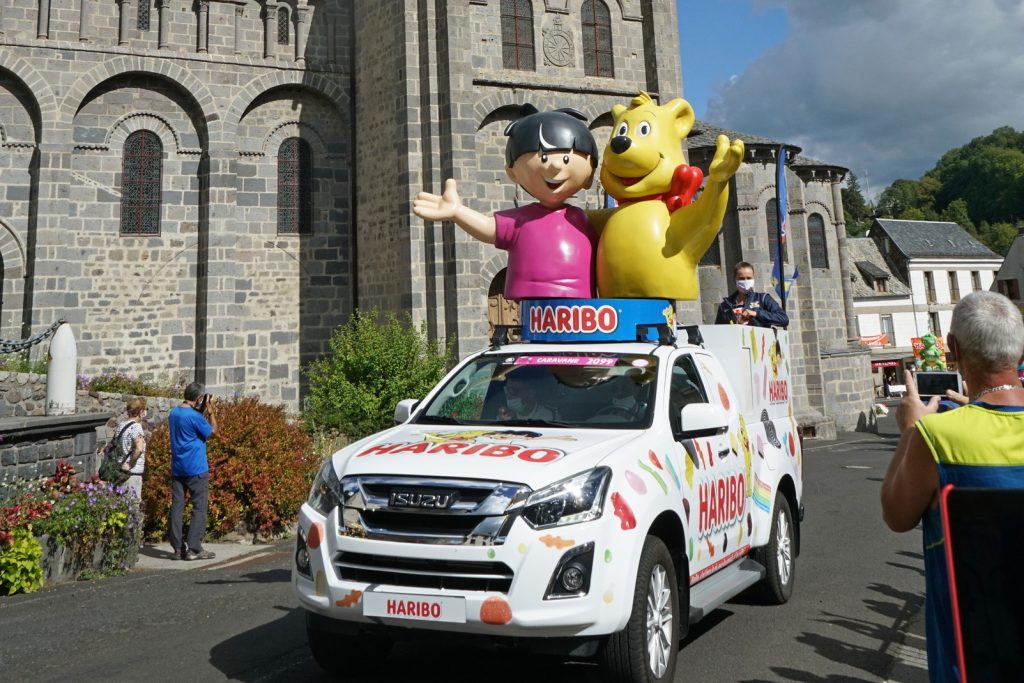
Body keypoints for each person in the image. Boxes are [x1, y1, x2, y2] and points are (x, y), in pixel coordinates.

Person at [880, 291, 1024, 682]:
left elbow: (896, 514)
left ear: (953, 348)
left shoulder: (938, 437)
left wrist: (910, 431)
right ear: (1020, 350)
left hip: (972, 662)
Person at [413, 105, 600, 299]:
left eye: (567, 159)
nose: (556, 166)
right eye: (543, 157)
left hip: (583, 310)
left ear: (589, 175)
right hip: (534, 307)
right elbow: (488, 227)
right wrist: (457, 212)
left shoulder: (582, 219)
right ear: (512, 173)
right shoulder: (522, 219)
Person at [168, 382, 218, 561]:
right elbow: (212, 432)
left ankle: (177, 548)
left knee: (177, 506)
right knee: (199, 507)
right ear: (198, 398)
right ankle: (194, 549)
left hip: (178, 467)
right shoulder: (195, 417)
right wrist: (210, 411)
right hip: (196, 467)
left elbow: (190, 422)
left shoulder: (174, 413)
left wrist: (200, 408)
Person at [714, 261, 789, 328]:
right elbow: (718, 331)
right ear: (735, 279)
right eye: (741, 278)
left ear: (753, 278)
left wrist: (756, 313)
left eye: (749, 278)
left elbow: (783, 319)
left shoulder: (763, 298)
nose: (745, 281)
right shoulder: (725, 306)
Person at [117, 397, 148, 502]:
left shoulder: (121, 425)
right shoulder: (136, 427)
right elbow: (139, 448)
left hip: (120, 472)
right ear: (141, 412)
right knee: (133, 510)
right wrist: (130, 464)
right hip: (132, 473)